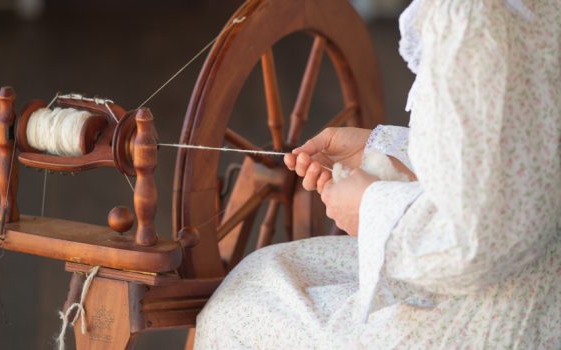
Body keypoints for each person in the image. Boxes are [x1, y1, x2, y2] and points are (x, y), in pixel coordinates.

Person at [195, 0, 561, 348]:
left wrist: (370, 206)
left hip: (506, 315)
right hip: (534, 275)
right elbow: (511, 159)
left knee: (234, 312)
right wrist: (387, 153)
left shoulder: (468, 18)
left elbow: (476, 244)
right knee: (267, 272)